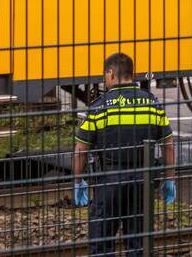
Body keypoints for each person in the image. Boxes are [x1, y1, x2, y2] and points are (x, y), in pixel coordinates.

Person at [73, 52, 176, 257]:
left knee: (101, 242)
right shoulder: (152, 104)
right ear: (132, 74)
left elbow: (81, 150)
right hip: (142, 179)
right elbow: (168, 144)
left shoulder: (99, 108)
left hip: (108, 181)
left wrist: (78, 180)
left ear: (110, 74)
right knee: (137, 242)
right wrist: (169, 178)